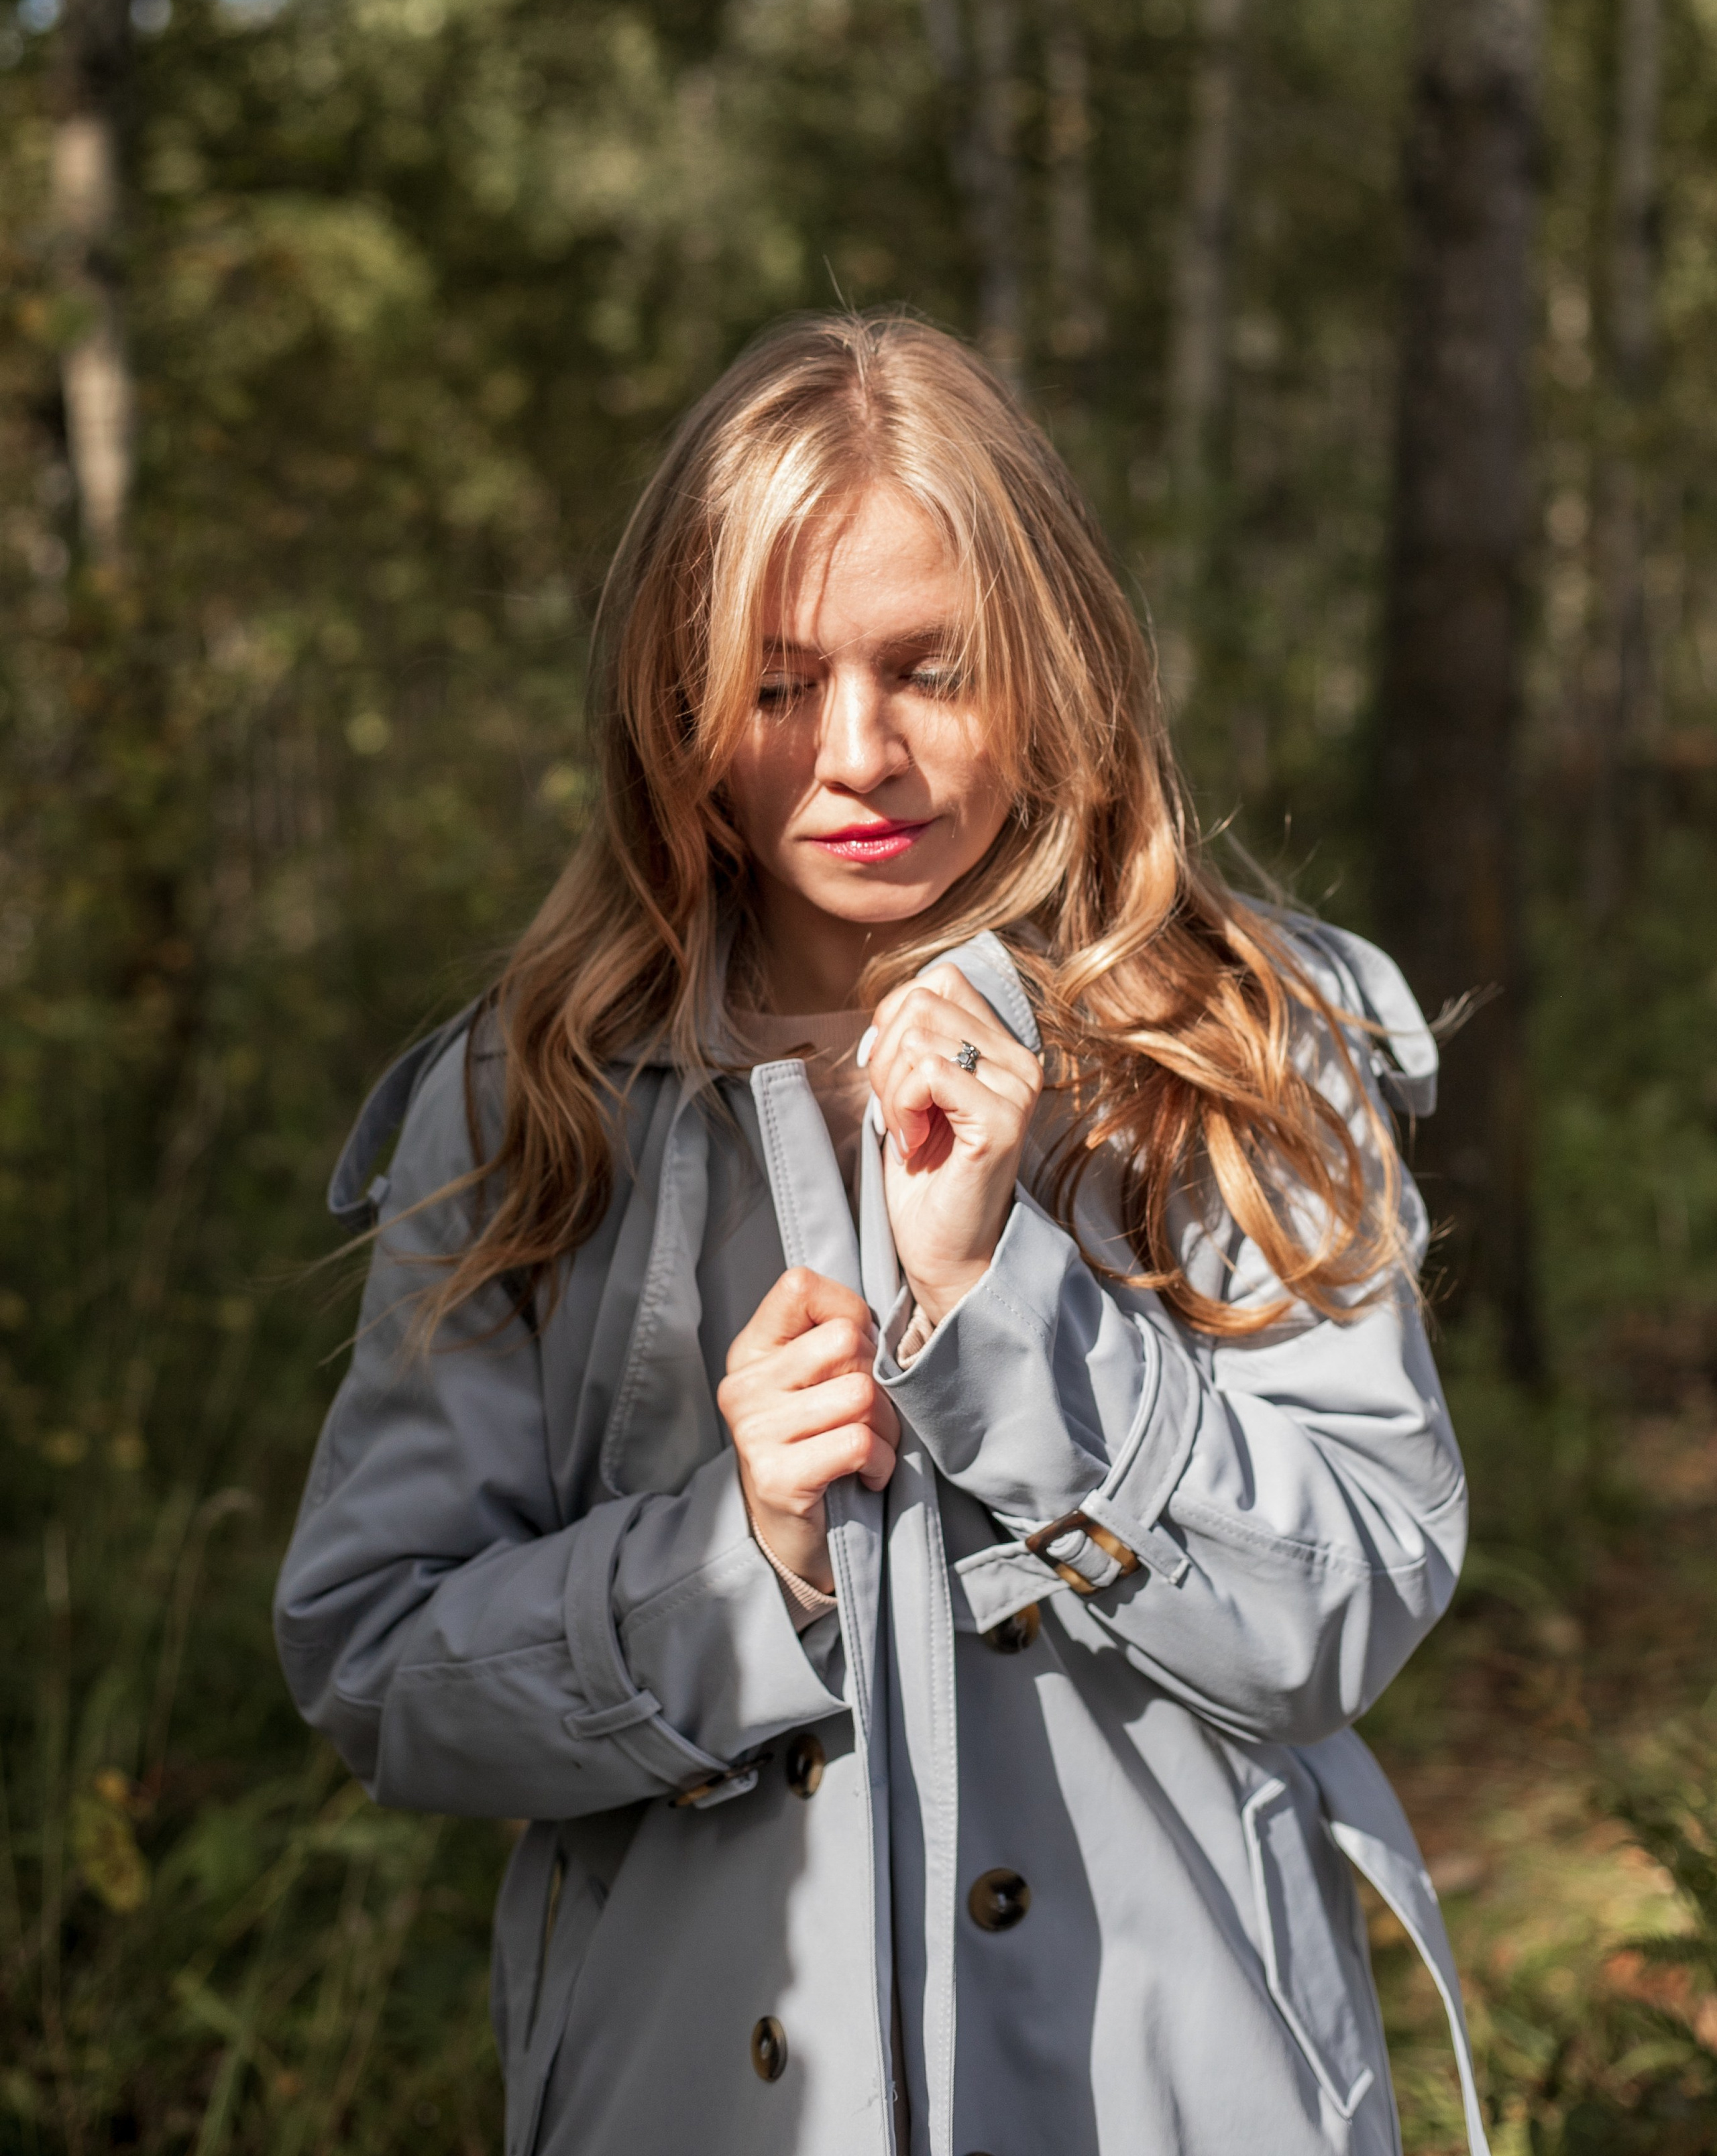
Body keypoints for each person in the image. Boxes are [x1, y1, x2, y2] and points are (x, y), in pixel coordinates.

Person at [275, 313, 1488, 2156]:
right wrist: (743, 1558)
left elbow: (1353, 1598)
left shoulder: (1245, 1042)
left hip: (1177, 2097)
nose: (860, 756)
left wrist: (1012, 1315)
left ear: (1054, 665)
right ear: (671, 705)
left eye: (935, 670)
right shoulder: (534, 1101)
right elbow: (380, 1663)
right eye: (775, 685)